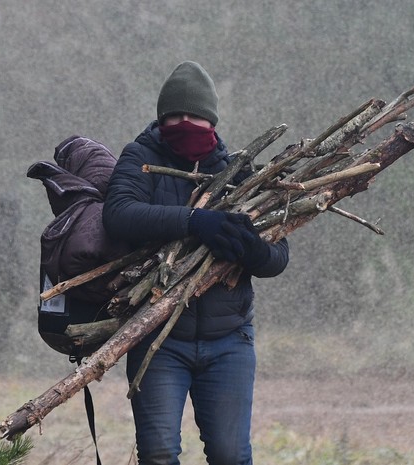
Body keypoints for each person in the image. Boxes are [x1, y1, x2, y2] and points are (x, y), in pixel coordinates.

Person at [102, 61, 290, 464]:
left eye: (194, 116)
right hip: (158, 339)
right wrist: (194, 221)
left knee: (230, 455)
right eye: (174, 115)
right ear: (160, 117)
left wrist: (253, 251)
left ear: (211, 120)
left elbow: (278, 257)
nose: (184, 123)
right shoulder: (140, 157)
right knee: (157, 455)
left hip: (230, 342)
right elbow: (119, 213)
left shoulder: (238, 172)